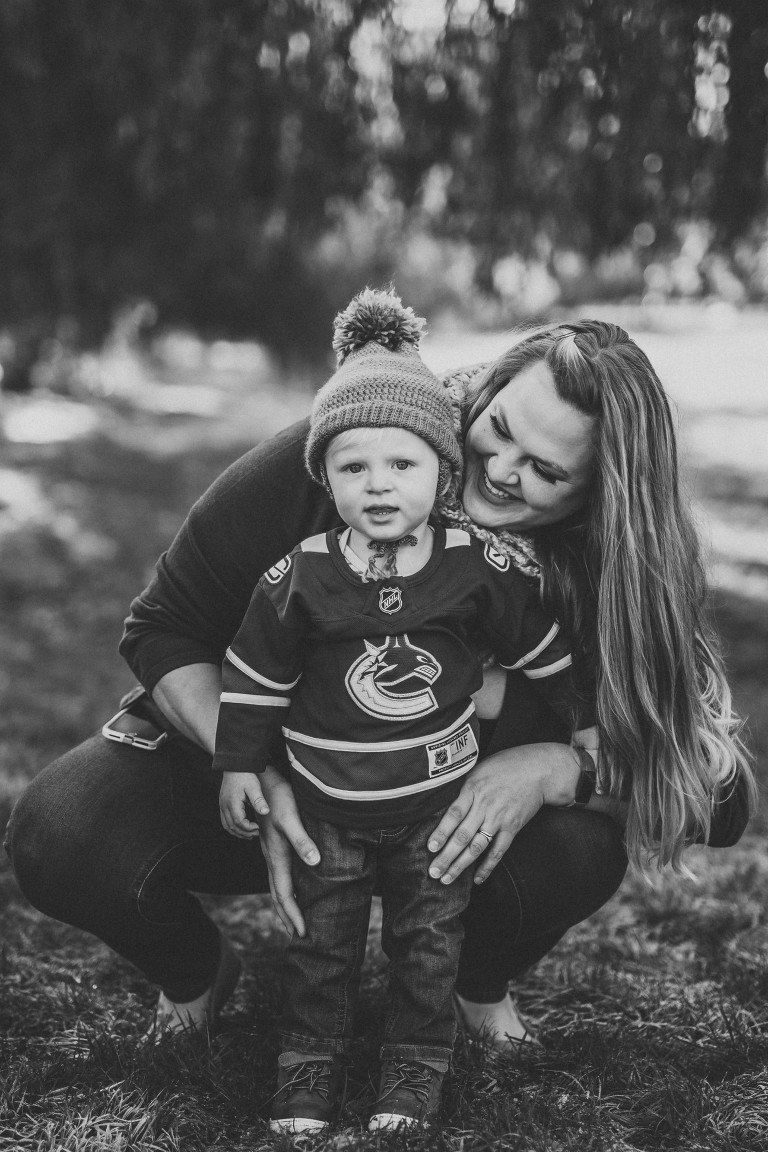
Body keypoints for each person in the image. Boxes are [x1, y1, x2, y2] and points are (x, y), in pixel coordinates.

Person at [5, 305, 754, 1092]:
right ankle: (197, 975)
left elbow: (722, 795)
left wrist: (557, 770)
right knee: (62, 831)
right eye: (497, 428)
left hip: (444, 829)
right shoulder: (359, 446)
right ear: (486, 390)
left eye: (547, 471)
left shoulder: (617, 574)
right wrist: (251, 760)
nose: (500, 470)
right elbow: (163, 627)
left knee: (580, 842)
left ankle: (474, 981)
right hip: (269, 782)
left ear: (602, 496)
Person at [213, 289, 588, 1132]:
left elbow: (541, 647)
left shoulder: (476, 568)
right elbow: (252, 676)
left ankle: (413, 1072)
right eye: (353, 468)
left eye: (403, 466)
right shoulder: (300, 577)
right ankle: (307, 1068)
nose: (378, 484)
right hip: (327, 806)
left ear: (440, 473)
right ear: (325, 478)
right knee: (322, 946)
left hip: (431, 806)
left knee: (427, 947)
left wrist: (579, 722)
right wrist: (239, 761)